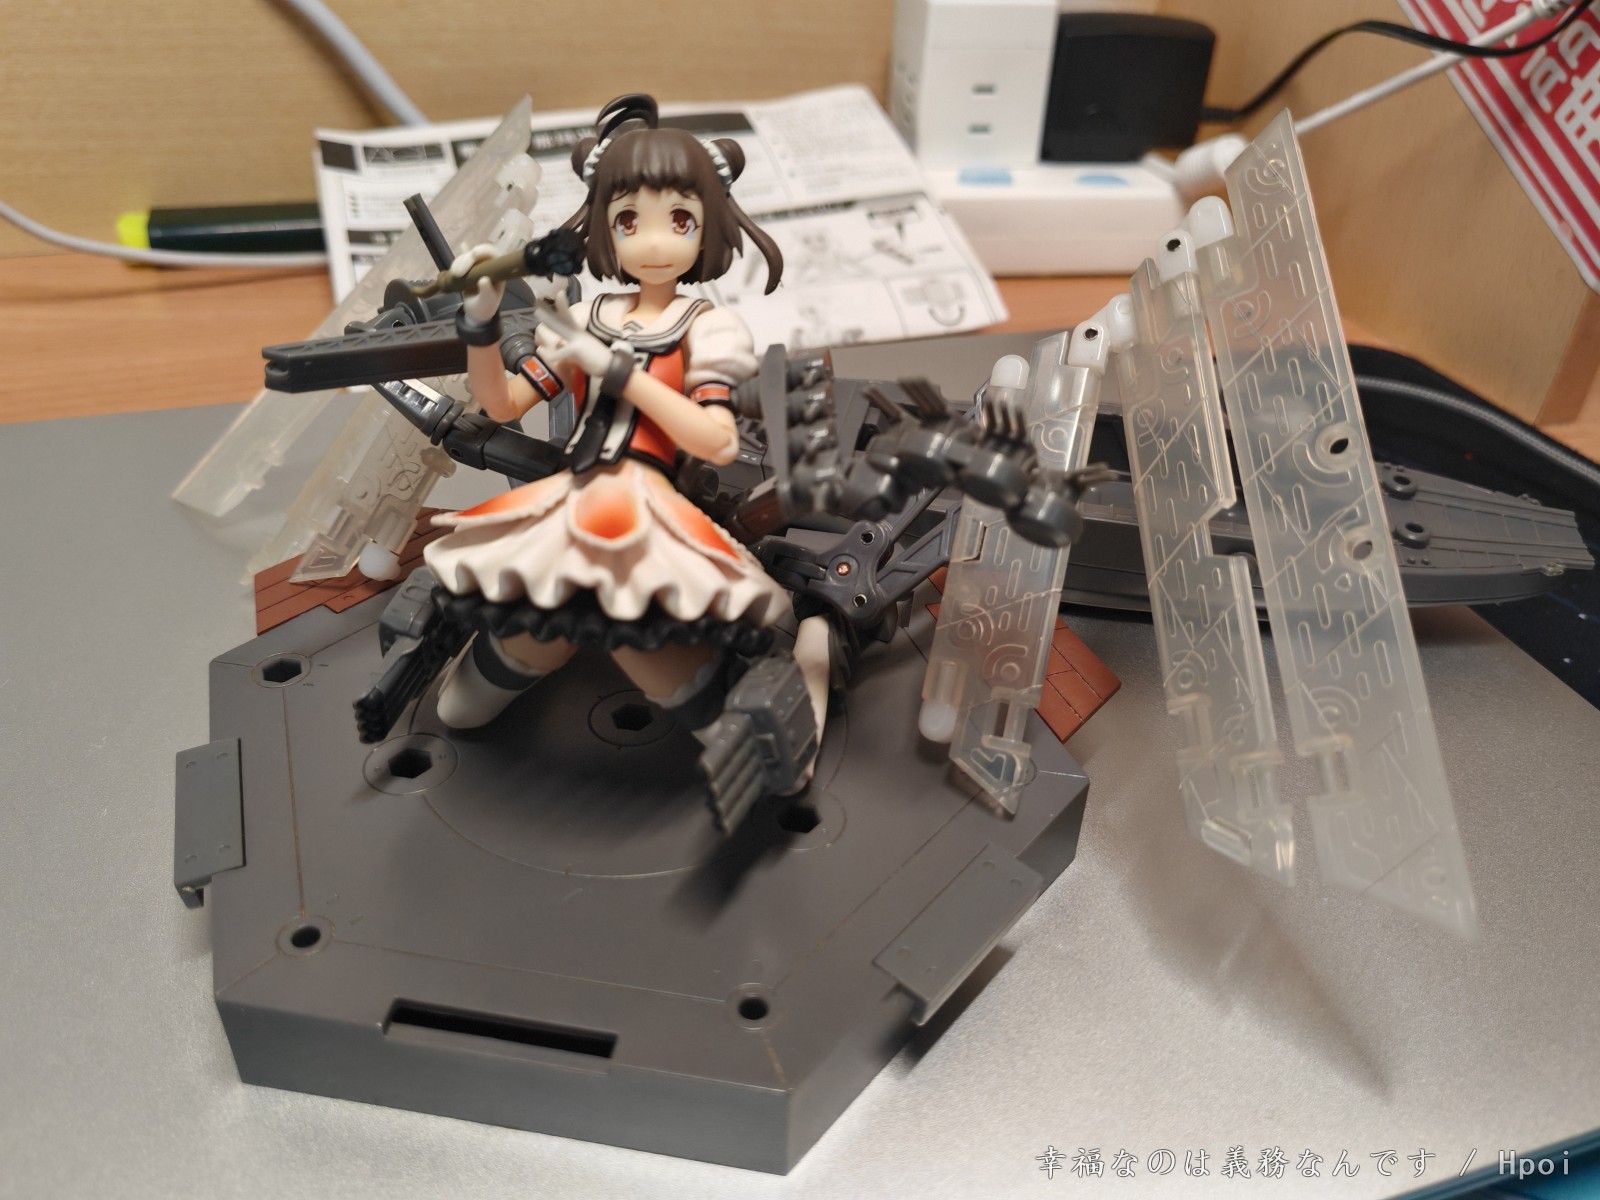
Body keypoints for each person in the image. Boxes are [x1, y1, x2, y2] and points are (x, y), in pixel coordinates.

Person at [421, 94, 828, 808]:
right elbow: (501, 405)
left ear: (708, 225)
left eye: (681, 220)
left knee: (652, 653)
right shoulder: (587, 317)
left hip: (645, 509)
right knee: (467, 702)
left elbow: (716, 440)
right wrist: (479, 324)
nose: (653, 242)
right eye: (629, 220)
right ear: (606, 226)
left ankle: (800, 677)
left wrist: (615, 373)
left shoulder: (708, 328)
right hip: (570, 502)